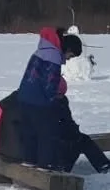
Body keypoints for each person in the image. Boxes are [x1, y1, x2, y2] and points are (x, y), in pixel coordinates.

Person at [16, 26, 83, 167]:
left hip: (24, 97)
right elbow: (51, 82)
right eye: (70, 56)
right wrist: (53, 100)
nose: (69, 59)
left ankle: (29, 161)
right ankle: (45, 166)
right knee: (47, 133)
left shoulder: (42, 50)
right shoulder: (54, 57)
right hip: (39, 100)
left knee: (30, 133)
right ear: (68, 49)